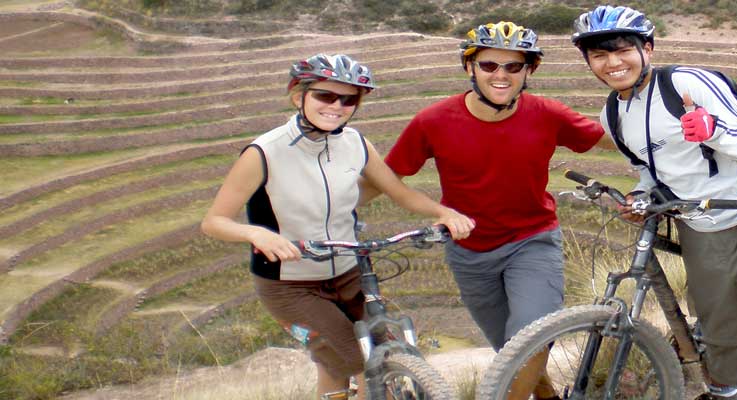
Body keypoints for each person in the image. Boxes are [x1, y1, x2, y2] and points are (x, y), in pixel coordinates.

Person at [571, 6, 737, 400]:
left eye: (622, 49)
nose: (613, 62)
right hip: (699, 224)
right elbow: (650, 171)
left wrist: (713, 131)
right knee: (720, 328)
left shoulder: (687, 84)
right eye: (599, 55)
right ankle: (736, 387)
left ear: (648, 48)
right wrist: (639, 196)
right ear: (589, 62)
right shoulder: (613, 114)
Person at [200, 53, 474, 400]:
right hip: (290, 284)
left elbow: (398, 192)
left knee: (362, 356)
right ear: (298, 96)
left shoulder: (357, 144)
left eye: (349, 99)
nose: (337, 106)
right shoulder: (264, 152)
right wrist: (256, 233)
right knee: (362, 361)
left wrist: (443, 213)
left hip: (349, 270)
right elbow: (214, 222)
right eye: (325, 96)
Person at [379, 22, 605, 400]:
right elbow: (387, 177)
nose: (501, 75)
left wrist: (671, 136)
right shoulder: (433, 121)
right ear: (470, 67)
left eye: (513, 67)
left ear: (528, 71)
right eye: (488, 65)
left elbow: (606, 136)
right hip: (469, 254)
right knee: (509, 349)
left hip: (532, 242)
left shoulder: (547, 113)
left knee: (530, 341)